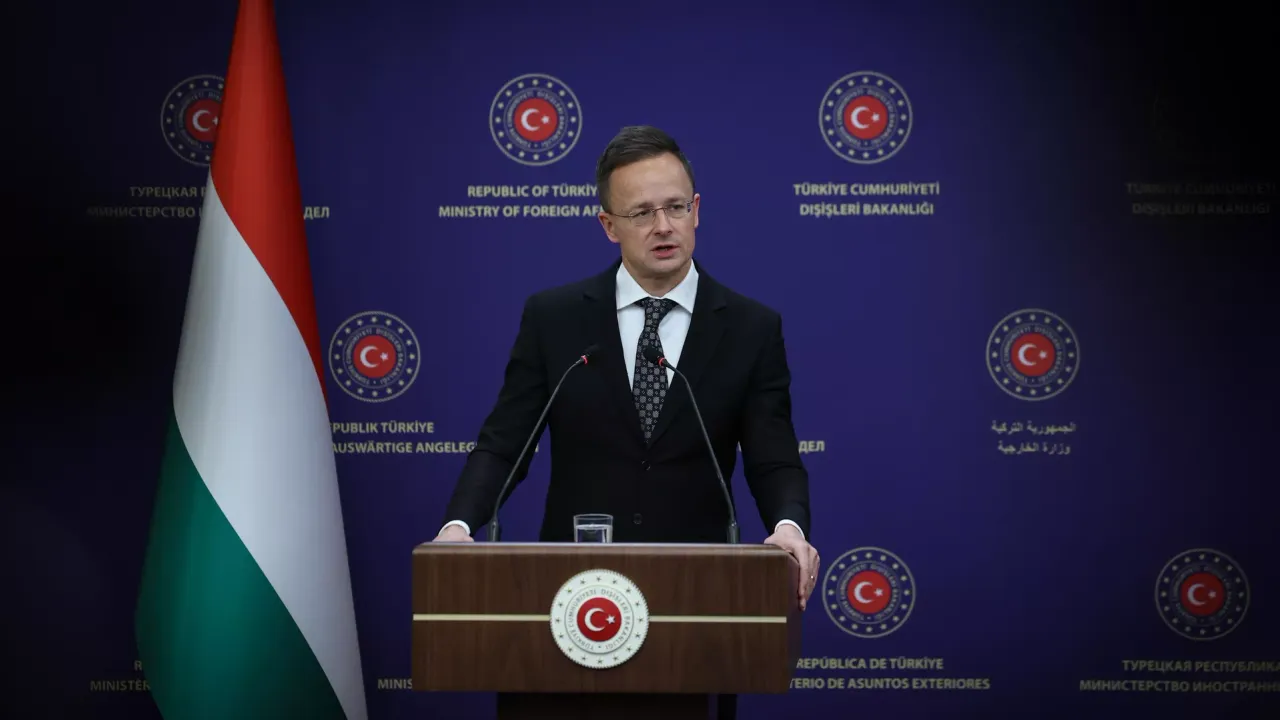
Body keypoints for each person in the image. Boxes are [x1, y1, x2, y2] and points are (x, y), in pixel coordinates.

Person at [434, 125, 819, 611]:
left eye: (676, 207)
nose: (663, 226)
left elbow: (773, 457)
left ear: (696, 211)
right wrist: (458, 525)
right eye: (641, 213)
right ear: (609, 225)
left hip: (699, 589)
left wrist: (788, 526)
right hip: (576, 589)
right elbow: (505, 444)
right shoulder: (555, 319)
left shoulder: (750, 328)